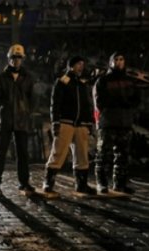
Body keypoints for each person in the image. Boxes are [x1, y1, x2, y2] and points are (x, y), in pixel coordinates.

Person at [42, 56, 96, 195]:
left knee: (82, 155)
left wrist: (89, 122)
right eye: (78, 64)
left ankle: (81, 184)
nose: (81, 67)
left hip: (81, 124)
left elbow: (87, 105)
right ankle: (48, 182)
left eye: (82, 64)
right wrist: (55, 121)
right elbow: (55, 104)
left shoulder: (82, 84)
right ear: (71, 66)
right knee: (58, 152)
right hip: (66, 121)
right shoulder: (62, 82)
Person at [0, 44, 35, 194]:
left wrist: (27, 113)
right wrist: (3, 113)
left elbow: (32, 99)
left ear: (22, 59)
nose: (16, 61)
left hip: (21, 119)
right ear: (9, 59)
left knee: (22, 153)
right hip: (7, 119)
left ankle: (24, 182)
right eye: (14, 58)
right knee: (1, 152)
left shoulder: (28, 77)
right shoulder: (1, 78)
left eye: (19, 58)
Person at [93, 52, 141, 194]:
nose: (119, 62)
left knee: (122, 156)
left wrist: (126, 104)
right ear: (111, 62)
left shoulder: (130, 81)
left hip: (124, 122)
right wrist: (119, 102)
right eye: (116, 59)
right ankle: (101, 183)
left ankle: (119, 184)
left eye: (121, 59)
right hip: (108, 122)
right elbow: (99, 102)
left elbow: (136, 99)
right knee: (103, 155)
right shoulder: (103, 81)